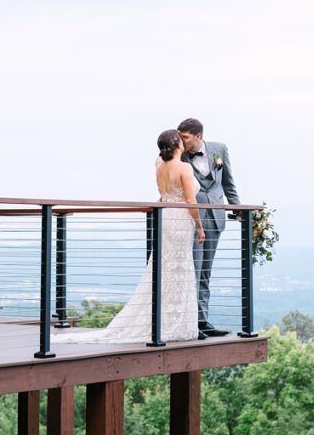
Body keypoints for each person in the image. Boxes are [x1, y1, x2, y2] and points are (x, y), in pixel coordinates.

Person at [55, 129, 203, 345]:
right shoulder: (184, 168)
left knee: (164, 268)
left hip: (165, 218)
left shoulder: (158, 165)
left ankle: (163, 321)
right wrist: (200, 227)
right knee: (179, 269)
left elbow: (163, 195)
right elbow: (191, 201)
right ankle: (175, 323)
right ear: (177, 145)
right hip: (180, 220)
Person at [178, 117, 240, 339]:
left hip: (215, 218)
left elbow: (228, 183)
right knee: (193, 270)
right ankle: (190, 322)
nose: (181, 141)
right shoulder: (179, 155)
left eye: (185, 137)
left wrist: (237, 208)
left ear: (198, 136)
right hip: (191, 219)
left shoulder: (219, 150)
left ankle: (202, 320)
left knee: (205, 272)